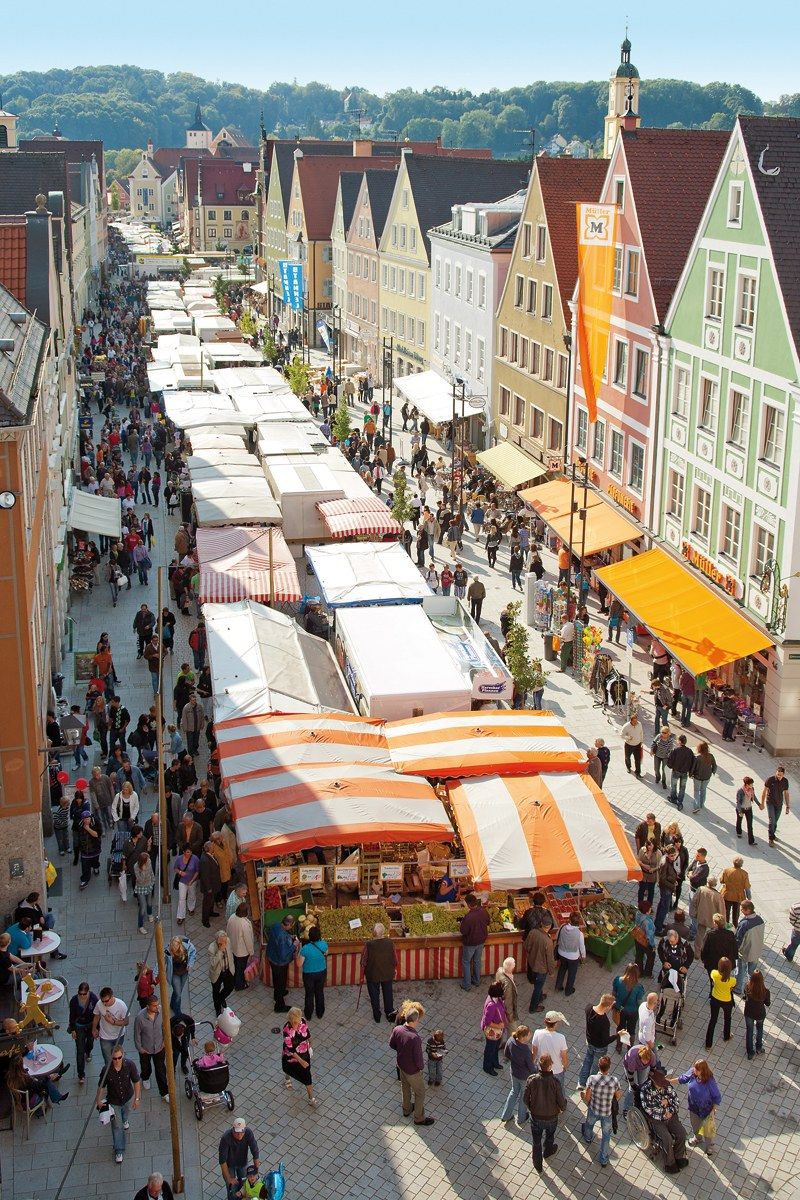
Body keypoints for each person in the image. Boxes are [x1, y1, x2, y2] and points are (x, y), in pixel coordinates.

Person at [95, 1045, 141, 1164]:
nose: (117, 1060)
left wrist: (137, 1098)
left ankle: (125, 1120)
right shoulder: (106, 1070)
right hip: (113, 1101)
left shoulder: (130, 1065)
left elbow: (136, 1082)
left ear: (123, 1055)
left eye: (119, 1058)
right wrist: (98, 1100)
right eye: (114, 1058)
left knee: (125, 1114)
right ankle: (119, 1149)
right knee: (117, 1127)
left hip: (127, 1098)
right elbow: (101, 1086)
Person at [388, 1007, 433, 1126]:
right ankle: (419, 1118)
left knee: (405, 1087)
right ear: (414, 1020)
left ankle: (406, 1109)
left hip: (401, 1066)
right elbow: (418, 1058)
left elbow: (392, 1044)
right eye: (418, 1020)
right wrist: (421, 1067)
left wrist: (402, 1052)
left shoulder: (397, 1029)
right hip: (412, 1071)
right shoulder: (415, 1038)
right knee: (420, 1093)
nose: (418, 1022)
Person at [523, 1053, 567, 1173]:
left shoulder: (532, 1080)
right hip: (552, 1117)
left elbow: (525, 1098)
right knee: (550, 1135)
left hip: (536, 1117)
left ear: (539, 1065)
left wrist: (532, 1107)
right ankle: (548, 1151)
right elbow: (561, 1101)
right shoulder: (555, 1082)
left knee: (536, 1141)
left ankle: (538, 1165)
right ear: (550, 1066)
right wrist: (563, 1107)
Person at [639, 1068, 688, 1174]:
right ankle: (669, 1163)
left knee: (682, 1133)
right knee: (667, 1139)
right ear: (654, 1082)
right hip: (656, 1120)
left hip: (670, 1116)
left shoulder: (666, 1085)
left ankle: (679, 1156)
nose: (663, 1085)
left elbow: (676, 1100)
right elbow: (650, 1110)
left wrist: (669, 1109)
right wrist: (663, 1110)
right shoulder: (645, 1090)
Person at [582, 1054, 622, 1168]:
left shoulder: (592, 1079)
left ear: (598, 1067)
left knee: (589, 1124)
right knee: (606, 1136)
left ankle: (588, 1138)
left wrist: (588, 1101)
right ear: (609, 1068)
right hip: (607, 1113)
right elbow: (618, 1095)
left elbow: (587, 1096)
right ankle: (603, 1159)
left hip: (594, 1109)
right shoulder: (614, 1081)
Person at [677, 1058, 722, 1157]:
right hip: (693, 1107)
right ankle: (697, 1137)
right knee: (695, 1125)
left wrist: (713, 1110)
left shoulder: (710, 1081)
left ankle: (709, 1145)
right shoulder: (693, 1073)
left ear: (702, 1071)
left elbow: (717, 1096)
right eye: (694, 1068)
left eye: (697, 1070)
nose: (694, 1070)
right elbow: (683, 1078)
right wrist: (669, 1081)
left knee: (708, 1129)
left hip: (706, 1109)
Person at [133, 997, 169, 1100]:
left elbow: (165, 1026)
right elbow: (137, 1034)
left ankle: (164, 1093)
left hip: (159, 1047)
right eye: (154, 1005)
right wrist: (140, 1048)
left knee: (161, 1070)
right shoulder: (140, 1017)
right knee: (145, 1066)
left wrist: (165, 1041)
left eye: (157, 1004)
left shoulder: (161, 1011)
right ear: (148, 1006)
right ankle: (145, 1077)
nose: (157, 1007)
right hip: (146, 1048)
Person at [578, 993, 618, 1086]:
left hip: (590, 1042)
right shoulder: (604, 1021)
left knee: (587, 1061)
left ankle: (581, 1082)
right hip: (600, 1047)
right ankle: (590, 1085)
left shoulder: (588, 1008)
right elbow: (605, 1040)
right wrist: (617, 1035)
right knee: (596, 1066)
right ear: (608, 1007)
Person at [281, 1007, 317, 1107]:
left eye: (297, 1022)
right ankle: (287, 1079)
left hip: (304, 1052)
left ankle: (311, 1098)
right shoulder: (286, 1030)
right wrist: (301, 1061)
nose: (296, 1025)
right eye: (294, 1023)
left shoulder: (303, 1021)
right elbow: (290, 1049)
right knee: (288, 1067)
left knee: (307, 1076)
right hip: (291, 1055)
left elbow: (308, 1034)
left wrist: (311, 1045)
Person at [362, 922, 397, 1023]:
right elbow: (395, 958)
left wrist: (363, 968)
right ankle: (390, 1014)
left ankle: (377, 1016)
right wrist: (394, 967)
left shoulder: (368, 944)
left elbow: (363, 960)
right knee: (388, 993)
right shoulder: (390, 942)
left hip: (373, 974)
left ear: (373, 933)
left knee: (374, 995)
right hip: (387, 972)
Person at [219, 1119, 260, 1200]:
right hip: (229, 1165)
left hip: (243, 1163)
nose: (239, 1135)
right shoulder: (226, 1138)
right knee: (231, 1187)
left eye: (242, 1132)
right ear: (232, 1129)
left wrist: (256, 1171)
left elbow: (255, 1151)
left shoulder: (248, 1133)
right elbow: (222, 1161)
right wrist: (228, 1178)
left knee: (244, 1183)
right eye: (237, 1132)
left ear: (245, 1129)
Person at [501, 1024, 534, 1125]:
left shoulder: (511, 1040)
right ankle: (521, 1118)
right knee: (524, 1096)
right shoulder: (525, 1050)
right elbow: (531, 1067)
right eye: (529, 1035)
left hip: (514, 1072)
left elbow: (506, 1053)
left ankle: (505, 1116)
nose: (530, 1036)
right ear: (523, 1037)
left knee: (514, 1092)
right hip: (524, 1077)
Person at [525, 913, 556, 1013]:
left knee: (538, 984)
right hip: (541, 969)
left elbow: (527, 946)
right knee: (537, 987)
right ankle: (533, 1008)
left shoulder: (533, 932)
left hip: (532, 963)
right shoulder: (548, 941)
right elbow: (550, 959)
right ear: (550, 926)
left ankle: (540, 996)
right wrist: (551, 972)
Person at [68, 982, 98, 1084]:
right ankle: (81, 1074)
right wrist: (73, 1029)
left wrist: (96, 1028)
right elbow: (71, 1016)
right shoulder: (74, 1001)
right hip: (79, 1026)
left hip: (90, 1025)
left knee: (90, 1043)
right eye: (80, 993)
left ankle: (88, 1051)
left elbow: (97, 1014)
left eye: (84, 994)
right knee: (80, 1050)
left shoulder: (93, 999)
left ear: (88, 992)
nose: (82, 996)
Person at [531, 1011, 570, 1090]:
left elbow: (534, 1052)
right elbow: (564, 1056)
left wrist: (532, 1065)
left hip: (541, 1069)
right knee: (559, 1092)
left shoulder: (537, 1033)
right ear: (555, 1024)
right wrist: (565, 1066)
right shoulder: (561, 1037)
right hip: (557, 1071)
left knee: (542, 1091)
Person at [459, 892, 490, 991]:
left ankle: (467, 985)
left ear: (468, 904)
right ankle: (476, 981)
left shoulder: (468, 917)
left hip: (470, 943)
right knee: (477, 961)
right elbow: (488, 922)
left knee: (466, 962)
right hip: (481, 941)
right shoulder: (484, 911)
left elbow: (463, 931)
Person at [266, 914, 298, 1012]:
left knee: (277, 979)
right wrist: (294, 945)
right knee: (280, 981)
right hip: (279, 962)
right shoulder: (282, 937)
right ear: (289, 925)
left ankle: (278, 994)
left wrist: (289, 937)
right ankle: (279, 1006)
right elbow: (283, 954)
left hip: (272, 957)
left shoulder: (276, 925)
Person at [93, 985, 129, 1066]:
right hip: (105, 1036)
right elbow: (96, 1016)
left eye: (106, 1001)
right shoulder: (99, 1004)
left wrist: (113, 1022)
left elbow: (126, 1022)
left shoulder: (121, 1005)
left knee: (117, 1057)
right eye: (103, 1001)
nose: (104, 1003)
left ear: (112, 997)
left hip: (119, 1035)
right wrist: (94, 1029)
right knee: (107, 1059)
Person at [706, 956, 737, 1049]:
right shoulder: (732, 980)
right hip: (727, 1001)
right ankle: (726, 1036)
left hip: (715, 998)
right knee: (727, 1018)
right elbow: (732, 987)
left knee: (713, 1020)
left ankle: (708, 1044)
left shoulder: (714, 973)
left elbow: (713, 979)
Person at [691, 876, 726, 958]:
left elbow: (694, 901)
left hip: (702, 916)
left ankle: (697, 953)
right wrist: (723, 921)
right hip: (713, 920)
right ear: (715, 884)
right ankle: (709, 953)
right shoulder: (718, 895)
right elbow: (721, 910)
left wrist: (695, 913)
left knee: (699, 935)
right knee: (712, 936)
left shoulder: (701, 889)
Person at [735, 901, 765, 991]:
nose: (740, 910)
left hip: (745, 953)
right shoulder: (760, 920)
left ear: (748, 910)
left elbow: (738, 940)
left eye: (742, 909)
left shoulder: (744, 924)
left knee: (740, 971)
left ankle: (738, 988)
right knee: (752, 973)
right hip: (756, 951)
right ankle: (751, 989)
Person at [554, 911, 585, 996]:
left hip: (561, 953)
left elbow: (557, 937)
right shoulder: (580, 934)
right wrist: (584, 956)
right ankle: (568, 991)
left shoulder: (562, 927)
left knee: (562, 969)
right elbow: (582, 947)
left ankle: (558, 986)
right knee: (572, 974)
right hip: (573, 957)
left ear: (569, 919)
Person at [301, 926, 328, 1021]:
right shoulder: (324, 944)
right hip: (321, 972)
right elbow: (326, 953)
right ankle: (320, 1013)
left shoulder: (305, 948)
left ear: (309, 936)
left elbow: (298, 964)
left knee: (309, 994)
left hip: (309, 974)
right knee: (319, 992)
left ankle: (308, 1014)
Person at [480, 981, 508, 1075]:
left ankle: (495, 1063)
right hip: (493, 1031)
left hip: (498, 1031)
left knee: (495, 1047)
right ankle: (487, 1067)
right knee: (490, 1049)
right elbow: (487, 1022)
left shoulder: (497, 998)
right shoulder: (491, 1005)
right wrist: (499, 1026)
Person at [165, 936, 196, 1017]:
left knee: (178, 990)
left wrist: (190, 964)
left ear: (179, 944)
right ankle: (178, 1012)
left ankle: (172, 1004)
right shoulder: (168, 951)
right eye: (173, 946)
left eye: (176, 946)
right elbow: (160, 962)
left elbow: (193, 953)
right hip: (174, 974)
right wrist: (155, 974)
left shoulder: (186, 947)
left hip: (184, 972)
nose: (174, 948)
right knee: (178, 994)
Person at [743, 969, 770, 1060]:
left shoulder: (747, 987)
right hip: (760, 1014)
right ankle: (758, 1048)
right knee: (760, 1029)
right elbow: (768, 1003)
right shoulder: (765, 991)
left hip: (749, 1013)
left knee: (749, 1031)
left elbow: (744, 995)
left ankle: (750, 1052)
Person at [612, 962, 645, 1038]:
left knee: (620, 1027)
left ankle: (619, 1045)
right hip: (632, 1012)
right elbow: (639, 1001)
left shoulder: (618, 980)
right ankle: (630, 1047)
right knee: (631, 1030)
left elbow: (613, 993)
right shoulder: (639, 987)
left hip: (619, 1010)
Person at [700, 914, 739, 979]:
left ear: (715, 923)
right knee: (725, 980)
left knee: (713, 982)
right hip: (727, 964)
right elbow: (735, 949)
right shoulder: (730, 934)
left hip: (713, 964)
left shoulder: (710, 935)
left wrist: (704, 960)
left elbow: (704, 949)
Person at [228, 904, 255, 994]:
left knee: (235, 965)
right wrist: (251, 952)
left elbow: (227, 930)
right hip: (241, 951)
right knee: (241, 968)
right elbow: (248, 940)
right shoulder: (244, 924)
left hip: (233, 946)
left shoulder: (232, 917)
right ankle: (239, 985)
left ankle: (233, 980)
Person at [657, 929, 694, 995]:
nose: (671, 943)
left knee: (680, 983)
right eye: (669, 941)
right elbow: (660, 951)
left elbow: (691, 956)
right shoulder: (663, 941)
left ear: (677, 938)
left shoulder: (685, 944)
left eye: (672, 941)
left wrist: (686, 966)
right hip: (668, 967)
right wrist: (664, 962)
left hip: (680, 967)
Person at [761, 766, 790, 846]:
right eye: (777, 774)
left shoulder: (785, 781)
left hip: (779, 804)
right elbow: (764, 792)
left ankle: (773, 835)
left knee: (775, 821)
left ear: (783, 775)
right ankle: (771, 839)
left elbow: (786, 793)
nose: (778, 776)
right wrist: (762, 803)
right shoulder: (770, 780)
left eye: (780, 775)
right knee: (772, 820)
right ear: (776, 773)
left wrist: (787, 806)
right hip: (770, 802)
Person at [209, 931, 235, 1017]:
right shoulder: (212, 948)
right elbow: (213, 963)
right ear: (217, 941)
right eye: (222, 942)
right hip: (217, 973)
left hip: (228, 969)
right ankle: (217, 1009)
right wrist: (220, 951)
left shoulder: (228, 941)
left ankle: (221, 998)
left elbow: (231, 953)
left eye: (225, 941)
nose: (224, 943)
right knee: (216, 991)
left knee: (230, 987)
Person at [655, 846, 681, 934]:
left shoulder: (668, 861)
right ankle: (658, 929)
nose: (673, 857)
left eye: (674, 855)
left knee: (661, 906)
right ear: (667, 854)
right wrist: (673, 885)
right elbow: (662, 879)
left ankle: (658, 923)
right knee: (664, 909)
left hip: (666, 888)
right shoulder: (665, 863)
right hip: (666, 889)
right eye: (671, 855)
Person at [720, 856, 751, 926]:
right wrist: (749, 898)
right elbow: (747, 888)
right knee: (736, 914)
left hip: (727, 894)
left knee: (726, 912)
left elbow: (721, 881)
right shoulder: (744, 874)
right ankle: (735, 927)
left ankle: (726, 926)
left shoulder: (726, 870)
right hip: (738, 897)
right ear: (741, 865)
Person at [667, 735, 695, 810]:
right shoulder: (690, 751)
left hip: (676, 771)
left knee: (674, 786)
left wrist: (671, 766)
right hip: (685, 772)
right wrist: (690, 772)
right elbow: (693, 762)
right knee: (682, 788)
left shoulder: (675, 750)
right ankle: (680, 802)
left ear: (679, 741)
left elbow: (670, 760)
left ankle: (673, 798)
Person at [174, 846, 200, 925]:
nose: (189, 854)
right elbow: (175, 868)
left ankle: (191, 908)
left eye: (190, 852)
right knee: (182, 898)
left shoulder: (195, 859)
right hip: (182, 881)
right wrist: (181, 873)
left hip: (192, 881)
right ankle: (180, 916)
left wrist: (192, 881)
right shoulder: (179, 859)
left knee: (192, 895)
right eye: (188, 852)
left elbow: (197, 871)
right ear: (184, 852)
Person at [633, 901, 657, 977]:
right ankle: (648, 973)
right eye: (649, 908)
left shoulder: (638, 914)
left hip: (638, 938)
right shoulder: (648, 922)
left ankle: (639, 972)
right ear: (646, 912)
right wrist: (653, 946)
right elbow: (650, 936)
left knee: (639, 956)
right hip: (645, 941)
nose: (651, 909)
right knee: (651, 957)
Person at [133, 852, 155, 933]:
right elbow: (140, 880)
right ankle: (140, 925)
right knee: (143, 906)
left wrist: (153, 881)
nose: (148, 861)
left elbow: (151, 872)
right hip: (141, 887)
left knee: (149, 902)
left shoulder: (149, 861)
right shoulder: (136, 866)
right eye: (146, 860)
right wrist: (143, 871)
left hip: (149, 885)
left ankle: (150, 914)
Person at [691, 742, 717, 812]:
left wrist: (691, 774)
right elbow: (715, 766)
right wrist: (712, 772)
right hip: (707, 776)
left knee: (696, 791)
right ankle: (702, 804)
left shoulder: (697, 757)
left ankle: (696, 806)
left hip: (697, 776)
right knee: (703, 790)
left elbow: (693, 767)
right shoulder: (711, 756)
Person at [494, 957, 518, 1025]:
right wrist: (510, 1018)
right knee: (513, 1031)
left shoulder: (500, 970)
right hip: (506, 1012)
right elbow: (508, 1002)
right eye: (514, 966)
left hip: (499, 1001)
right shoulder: (508, 985)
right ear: (512, 968)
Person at [651, 725, 676, 790]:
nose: (663, 734)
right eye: (662, 732)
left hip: (665, 757)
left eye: (664, 733)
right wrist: (651, 750)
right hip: (657, 755)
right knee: (656, 769)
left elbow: (670, 749)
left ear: (668, 733)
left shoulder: (670, 740)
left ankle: (663, 782)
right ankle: (658, 777)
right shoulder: (659, 736)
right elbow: (653, 743)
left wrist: (667, 755)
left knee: (664, 770)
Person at [637, 839, 660, 908]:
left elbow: (660, 865)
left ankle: (649, 907)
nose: (649, 847)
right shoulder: (642, 850)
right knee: (641, 890)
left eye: (651, 845)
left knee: (651, 891)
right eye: (648, 845)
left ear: (654, 845)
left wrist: (653, 869)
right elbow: (638, 861)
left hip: (652, 876)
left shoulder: (658, 853)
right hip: (643, 875)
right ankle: (640, 906)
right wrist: (644, 866)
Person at [735, 776, 758, 845]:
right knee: (739, 821)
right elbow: (738, 802)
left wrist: (759, 804)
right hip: (741, 809)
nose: (752, 785)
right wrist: (739, 811)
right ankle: (739, 832)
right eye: (751, 784)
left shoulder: (752, 789)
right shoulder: (740, 791)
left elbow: (754, 797)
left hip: (749, 809)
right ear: (747, 784)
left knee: (750, 825)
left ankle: (751, 841)